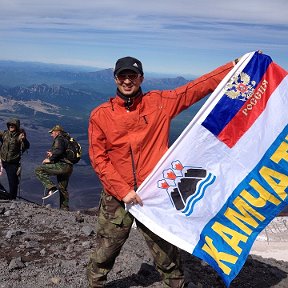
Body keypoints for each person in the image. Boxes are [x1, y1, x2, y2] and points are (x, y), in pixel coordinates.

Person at [87, 55, 239, 288]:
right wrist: (123, 190)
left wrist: (233, 67)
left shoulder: (159, 102)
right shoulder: (101, 115)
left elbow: (194, 89)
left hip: (154, 192)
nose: (128, 81)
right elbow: (99, 159)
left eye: (133, 76)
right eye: (123, 76)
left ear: (141, 78)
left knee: (164, 247)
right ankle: (94, 283)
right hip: (117, 195)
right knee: (107, 248)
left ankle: (176, 284)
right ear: (116, 79)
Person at [35, 125, 73, 210]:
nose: (51, 135)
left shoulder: (59, 138)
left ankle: (51, 187)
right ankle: (64, 208)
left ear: (57, 132)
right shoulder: (67, 139)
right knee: (63, 188)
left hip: (62, 166)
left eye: (52, 133)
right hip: (69, 167)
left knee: (38, 170)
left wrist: (50, 159)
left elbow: (59, 151)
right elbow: (61, 152)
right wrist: (53, 154)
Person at [0, 118, 30, 200]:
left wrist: (24, 139)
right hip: (3, 160)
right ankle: (3, 194)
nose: (11, 126)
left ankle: (12, 199)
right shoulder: (5, 134)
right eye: (9, 125)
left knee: (13, 182)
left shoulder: (19, 136)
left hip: (12, 163)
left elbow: (26, 146)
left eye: (13, 125)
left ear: (16, 126)